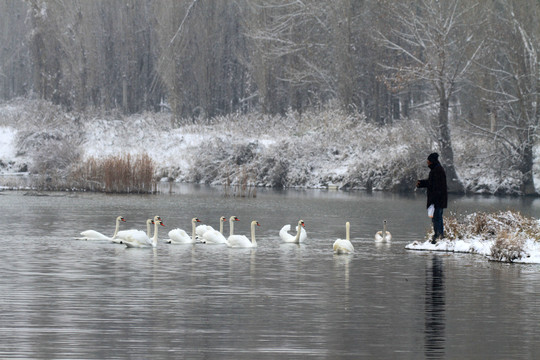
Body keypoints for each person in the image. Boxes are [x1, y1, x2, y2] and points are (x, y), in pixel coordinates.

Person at [416, 152, 448, 244]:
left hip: (437, 200)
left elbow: (434, 185)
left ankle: (438, 236)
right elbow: (432, 183)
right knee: (437, 218)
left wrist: (422, 184)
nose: (427, 163)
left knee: (437, 218)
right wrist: (421, 183)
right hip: (439, 199)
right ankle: (438, 236)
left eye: (428, 161)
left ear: (432, 161)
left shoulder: (437, 170)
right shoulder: (437, 169)